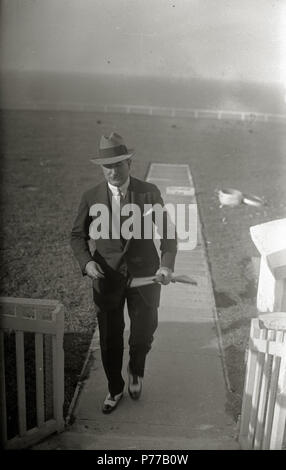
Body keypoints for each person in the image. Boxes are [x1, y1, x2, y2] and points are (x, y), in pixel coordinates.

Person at [70, 132, 177, 414]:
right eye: (108, 166)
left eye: (119, 164)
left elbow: (168, 233)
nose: (113, 171)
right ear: (101, 168)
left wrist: (166, 264)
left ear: (130, 162)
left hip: (145, 279)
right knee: (109, 338)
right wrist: (86, 263)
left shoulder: (148, 192)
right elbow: (76, 236)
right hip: (106, 280)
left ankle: (135, 370)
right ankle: (115, 388)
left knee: (142, 334)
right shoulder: (91, 196)